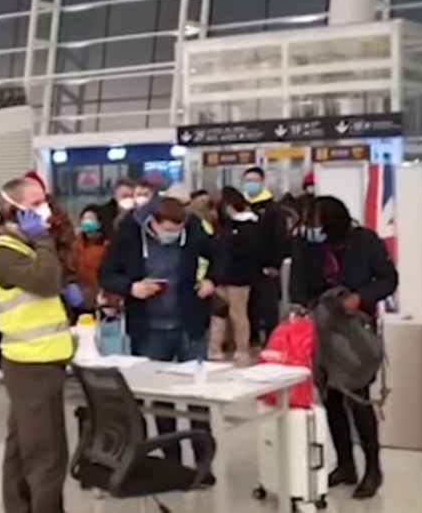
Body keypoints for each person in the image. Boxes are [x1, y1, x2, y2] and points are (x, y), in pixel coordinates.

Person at [97, 195, 218, 475]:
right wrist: (132, 287)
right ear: (154, 223)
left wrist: (212, 279)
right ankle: (172, 462)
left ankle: (203, 466)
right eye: (168, 231)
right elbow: (106, 273)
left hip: (189, 325)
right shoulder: (129, 233)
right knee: (161, 400)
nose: (173, 236)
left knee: (198, 399)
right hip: (150, 328)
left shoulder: (194, 228)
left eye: (178, 231)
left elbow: (220, 254)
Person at [289, 196, 397, 500]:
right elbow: (297, 285)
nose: (311, 229)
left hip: (355, 332)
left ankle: (373, 469)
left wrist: (360, 298)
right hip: (321, 330)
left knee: (358, 400)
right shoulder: (305, 246)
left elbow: (388, 279)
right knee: (331, 399)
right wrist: (303, 309)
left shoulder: (365, 241)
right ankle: (345, 464)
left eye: (316, 224)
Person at [0, 177, 74, 513]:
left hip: (42, 357)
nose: (43, 209)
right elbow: (46, 281)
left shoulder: (23, 245)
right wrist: (44, 239)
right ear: (12, 209)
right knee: (47, 454)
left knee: (21, 447)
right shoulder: (2, 251)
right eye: (35, 204)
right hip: (31, 362)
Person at [208, 187, 258, 360]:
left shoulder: (249, 224)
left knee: (238, 314)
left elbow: (247, 250)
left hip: (240, 276)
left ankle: (242, 348)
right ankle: (215, 347)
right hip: (221, 274)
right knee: (218, 312)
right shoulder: (223, 226)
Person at [241, 166, 289, 344]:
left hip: (267, 267)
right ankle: (252, 337)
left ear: (262, 182)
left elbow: (280, 238)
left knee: (268, 305)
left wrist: (275, 264)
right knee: (248, 306)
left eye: (254, 181)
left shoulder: (273, 210)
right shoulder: (240, 207)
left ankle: (271, 339)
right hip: (245, 268)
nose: (250, 185)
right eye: (248, 181)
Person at [74, 205, 109, 310]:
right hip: (78, 297)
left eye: (91, 219)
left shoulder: (107, 246)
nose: (86, 222)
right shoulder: (75, 243)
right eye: (84, 219)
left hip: (100, 298)